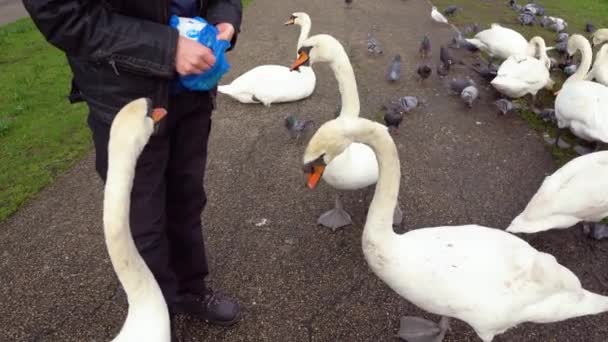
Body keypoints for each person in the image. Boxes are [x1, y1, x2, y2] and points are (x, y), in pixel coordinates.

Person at [23, 0, 243, 327]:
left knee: (186, 198)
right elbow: (61, 15)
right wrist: (167, 48)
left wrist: (225, 18)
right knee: (142, 218)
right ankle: (158, 314)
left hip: (193, 89)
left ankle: (189, 288)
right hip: (124, 96)